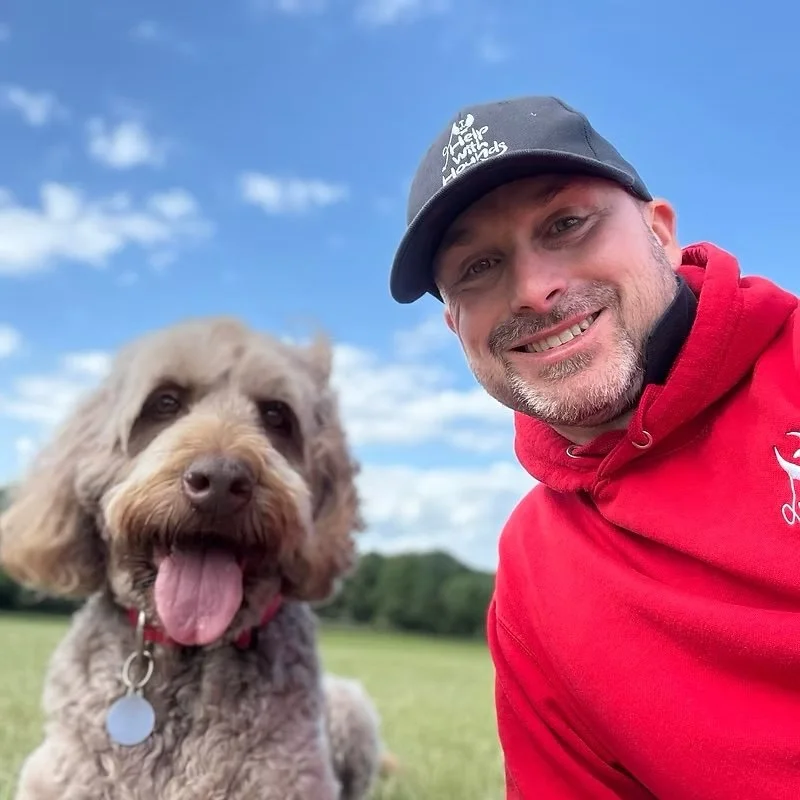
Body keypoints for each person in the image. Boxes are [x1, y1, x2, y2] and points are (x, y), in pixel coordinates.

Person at [387, 94, 800, 799]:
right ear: (457, 330)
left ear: (660, 233)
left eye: (567, 223)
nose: (535, 290)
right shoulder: (532, 573)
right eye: (478, 268)